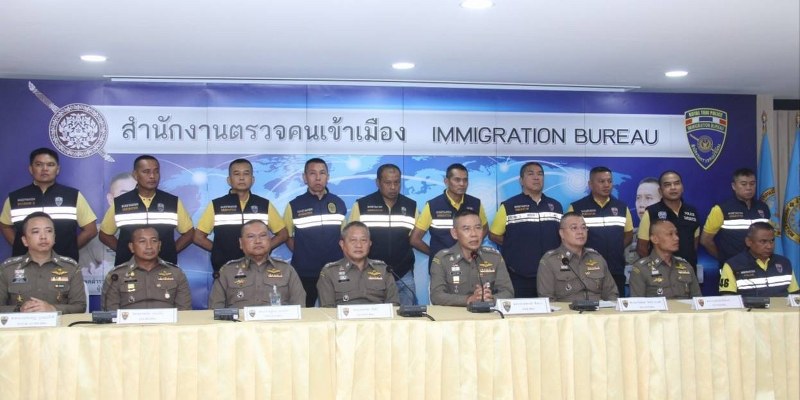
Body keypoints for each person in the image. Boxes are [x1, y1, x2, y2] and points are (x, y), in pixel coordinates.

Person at [1, 148, 97, 262]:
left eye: (50, 165)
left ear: (57, 169)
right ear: (31, 169)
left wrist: (69, 249)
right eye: (39, 164)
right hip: (25, 265)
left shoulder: (73, 196)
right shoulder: (15, 197)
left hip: (63, 264)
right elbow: (5, 226)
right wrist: (21, 246)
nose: (45, 169)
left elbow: (91, 230)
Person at [98, 155, 195, 266]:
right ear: (135, 175)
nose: (152, 176)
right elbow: (104, 235)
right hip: (129, 269)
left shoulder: (172, 202)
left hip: (164, 269)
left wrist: (169, 252)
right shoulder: (121, 202)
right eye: (146, 172)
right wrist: (125, 252)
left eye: (156, 171)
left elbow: (189, 233)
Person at [195, 159, 288, 272]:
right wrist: (219, 252)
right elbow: (198, 237)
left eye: (246, 173)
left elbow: (283, 234)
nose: (241, 178)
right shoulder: (216, 205)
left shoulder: (264, 204)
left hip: (258, 268)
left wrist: (263, 250)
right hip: (226, 269)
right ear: (229, 180)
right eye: (236, 174)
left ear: (252, 179)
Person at [489, 162, 562, 298]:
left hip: (552, 274)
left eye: (540, 174)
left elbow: (562, 235)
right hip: (520, 275)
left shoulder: (555, 206)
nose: (536, 177)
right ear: (521, 180)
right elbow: (493, 235)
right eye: (531, 174)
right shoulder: (509, 206)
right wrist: (515, 244)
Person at [350, 164, 418, 305]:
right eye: (388, 183)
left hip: (404, 274)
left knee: (407, 316)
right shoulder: (362, 205)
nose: (393, 187)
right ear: (378, 182)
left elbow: (413, 238)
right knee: (373, 315)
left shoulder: (411, 206)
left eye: (397, 182)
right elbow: (350, 239)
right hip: (371, 273)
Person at [284, 158, 347, 307]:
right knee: (305, 313)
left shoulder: (338, 203)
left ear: (328, 177)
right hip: (304, 272)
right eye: (312, 173)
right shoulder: (294, 205)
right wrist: (302, 253)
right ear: (305, 177)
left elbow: (344, 236)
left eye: (322, 173)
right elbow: (286, 235)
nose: (318, 178)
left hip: (335, 270)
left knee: (336, 312)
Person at [0, 212, 86, 313]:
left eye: (48, 231)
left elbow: (80, 306)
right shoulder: (8, 269)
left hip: (58, 323)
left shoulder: (71, 268)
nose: (43, 236)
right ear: (25, 240)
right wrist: (19, 309)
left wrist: (53, 309)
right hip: (20, 323)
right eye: (36, 232)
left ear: (54, 237)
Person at [208, 220, 305, 308]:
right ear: (241, 243)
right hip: (239, 322)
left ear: (269, 240)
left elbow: (300, 309)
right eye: (251, 236)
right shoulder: (227, 272)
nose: (258, 241)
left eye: (263, 235)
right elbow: (215, 311)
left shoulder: (287, 271)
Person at [568, 166, 633, 295]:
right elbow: (569, 237)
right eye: (601, 181)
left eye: (609, 181)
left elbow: (629, 234)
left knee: (615, 305)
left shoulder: (621, 207)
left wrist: (616, 248)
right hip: (586, 269)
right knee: (589, 304)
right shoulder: (576, 207)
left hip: (615, 269)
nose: (606, 185)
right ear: (590, 184)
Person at [410, 163, 488, 268]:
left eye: (465, 180)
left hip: (469, 264)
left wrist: (473, 246)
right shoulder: (433, 205)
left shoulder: (475, 204)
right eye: (457, 180)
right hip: (441, 267)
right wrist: (435, 255)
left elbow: (485, 228)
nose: (462, 184)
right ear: (446, 181)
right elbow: (414, 239)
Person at [429, 209, 514, 306]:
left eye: (478, 228)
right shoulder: (442, 259)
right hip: (455, 314)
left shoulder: (494, 257)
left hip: (488, 313)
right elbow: (436, 296)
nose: (474, 234)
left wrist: (491, 299)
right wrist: (468, 300)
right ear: (454, 233)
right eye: (466, 229)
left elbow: (508, 292)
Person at [102, 226, 192, 310]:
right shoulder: (116, 276)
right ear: (131, 247)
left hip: (168, 322)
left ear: (159, 245)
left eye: (154, 241)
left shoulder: (176, 274)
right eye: (142, 241)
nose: (149, 246)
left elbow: (184, 312)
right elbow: (109, 315)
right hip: (129, 322)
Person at [537, 212, 619, 302]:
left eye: (583, 228)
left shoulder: (597, 258)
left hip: (598, 309)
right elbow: (547, 300)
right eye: (574, 228)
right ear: (562, 233)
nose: (580, 232)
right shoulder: (550, 261)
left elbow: (611, 294)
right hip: (566, 310)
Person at [79, 172, 137, 294]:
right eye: (125, 195)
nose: (131, 200)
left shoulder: (147, 234)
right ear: (110, 199)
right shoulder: (93, 238)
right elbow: (85, 276)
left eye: (135, 194)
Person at [317, 221, 399, 307]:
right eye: (353, 240)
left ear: (370, 244)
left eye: (363, 240)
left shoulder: (384, 270)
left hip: (379, 316)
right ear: (342, 244)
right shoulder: (330, 272)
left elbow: (393, 306)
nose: (359, 245)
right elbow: (327, 310)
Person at [701, 168, 770, 268]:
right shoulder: (721, 209)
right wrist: (723, 258)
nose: (749, 188)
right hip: (733, 267)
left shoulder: (763, 208)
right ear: (734, 186)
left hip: (760, 266)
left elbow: (769, 237)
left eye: (752, 184)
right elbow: (705, 240)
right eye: (743, 184)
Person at [636, 171, 701, 270]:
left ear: (682, 187)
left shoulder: (692, 212)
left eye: (677, 183)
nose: (673, 188)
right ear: (660, 191)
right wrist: (654, 270)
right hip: (660, 274)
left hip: (688, 272)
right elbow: (642, 248)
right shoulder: (651, 212)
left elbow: (694, 245)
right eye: (667, 185)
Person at [719, 222, 799, 297]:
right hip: (749, 308)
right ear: (748, 242)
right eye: (763, 241)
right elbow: (728, 299)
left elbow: (795, 297)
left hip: (782, 307)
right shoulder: (733, 265)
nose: (769, 246)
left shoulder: (784, 263)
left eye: (772, 241)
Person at [630, 220, 702, 298]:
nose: (676, 238)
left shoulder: (686, 266)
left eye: (676, 234)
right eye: (670, 234)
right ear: (655, 239)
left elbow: (698, 300)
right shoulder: (641, 269)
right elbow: (637, 303)